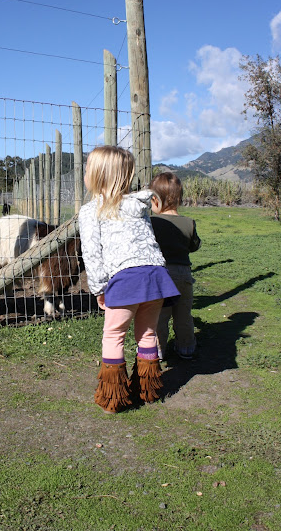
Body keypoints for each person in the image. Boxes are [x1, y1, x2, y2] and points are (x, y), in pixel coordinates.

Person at [78, 146, 179, 413]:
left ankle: (112, 398)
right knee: (147, 333)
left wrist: (99, 288)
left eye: (87, 169)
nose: (85, 173)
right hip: (156, 276)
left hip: (126, 278)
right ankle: (147, 390)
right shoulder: (139, 206)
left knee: (114, 335)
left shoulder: (91, 211)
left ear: (97, 175)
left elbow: (92, 254)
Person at [149, 172, 201, 361]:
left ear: (155, 200)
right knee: (183, 314)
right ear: (179, 198)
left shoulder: (152, 222)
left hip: (160, 275)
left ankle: (158, 350)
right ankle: (186, 347)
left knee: (159, 315)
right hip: (183, 275)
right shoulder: (189, 223)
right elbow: (194, 246)